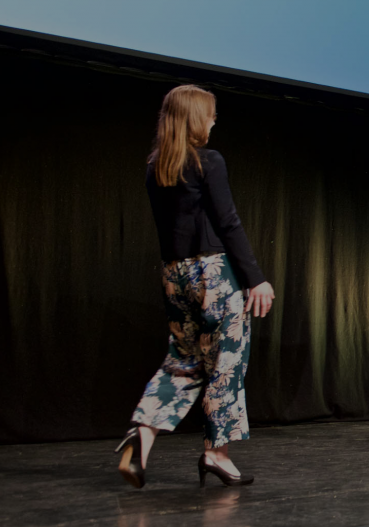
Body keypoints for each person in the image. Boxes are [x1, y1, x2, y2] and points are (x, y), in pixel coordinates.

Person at [115, 85, 276, 489]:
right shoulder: (208, 161)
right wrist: (255, 278)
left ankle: (143, 434)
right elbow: (227, 221)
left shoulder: (156, 166)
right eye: (210, 113)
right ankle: (216, 454)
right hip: (214, 274)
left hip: (175, 275)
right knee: (226, 363)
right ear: (195, 118)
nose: (214, 120)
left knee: (183, 360)